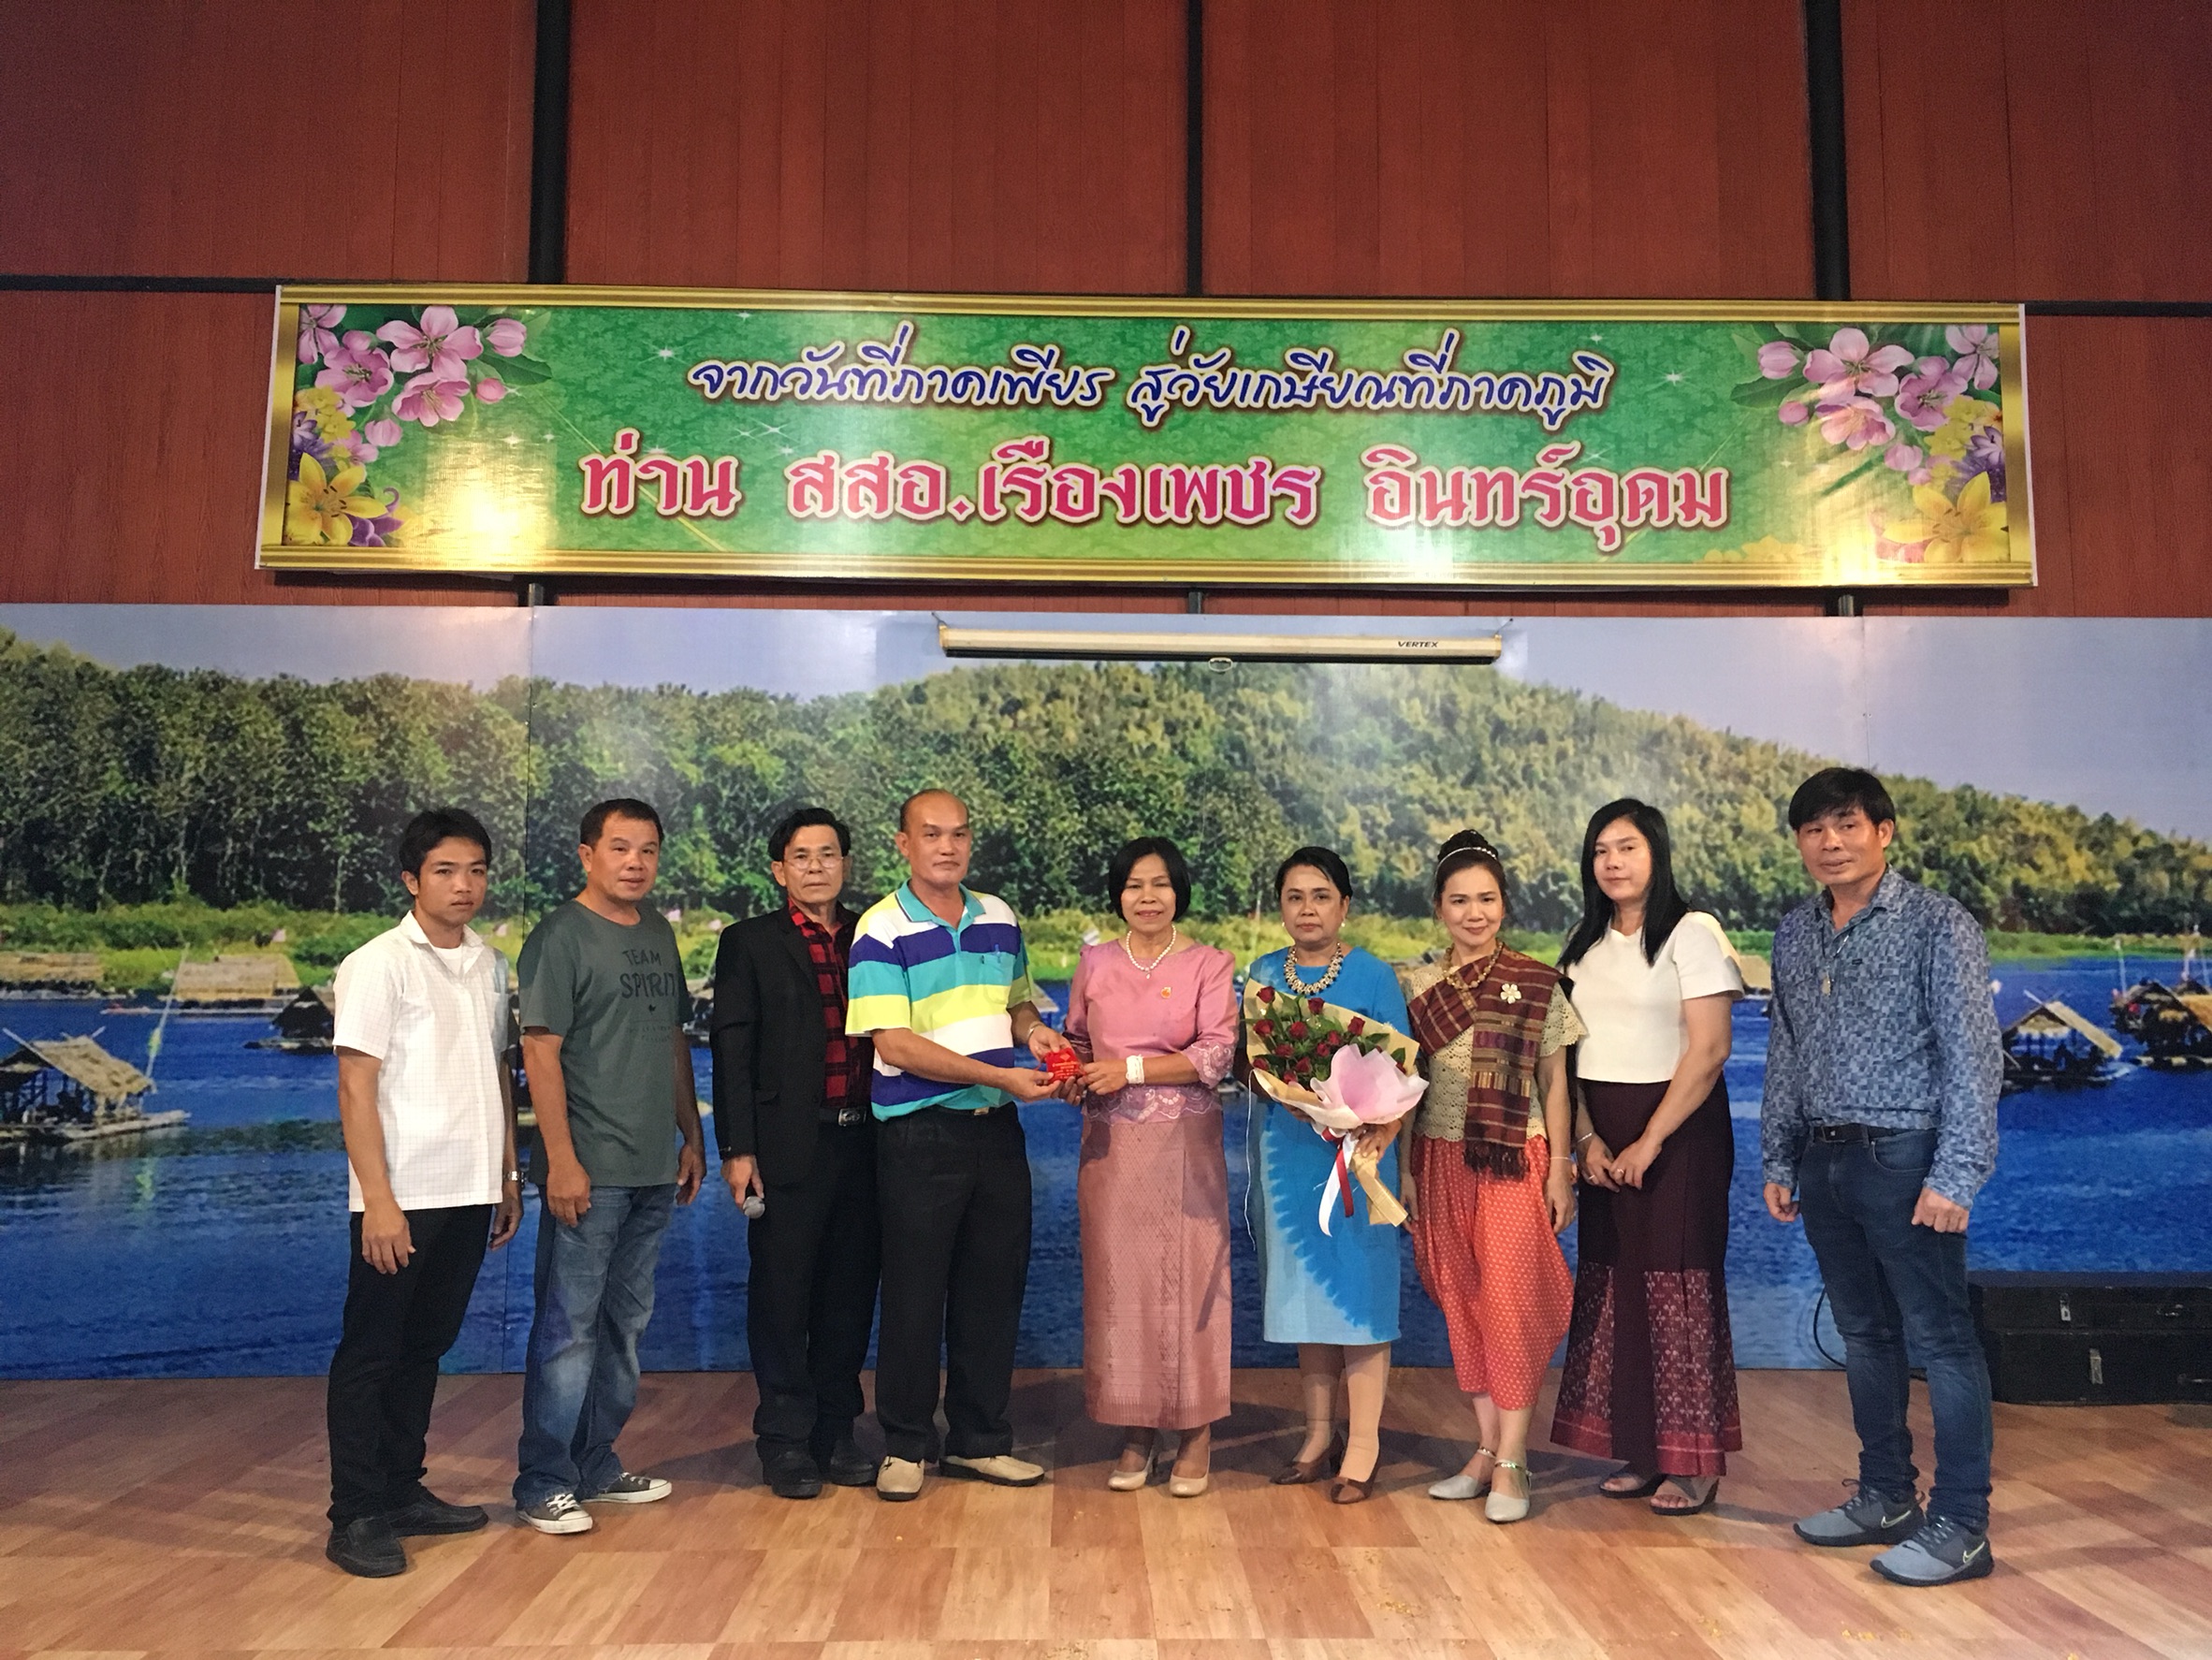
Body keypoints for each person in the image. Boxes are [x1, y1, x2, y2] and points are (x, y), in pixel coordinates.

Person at [1763, 767, 2001, 1587]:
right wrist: (1779, 1154)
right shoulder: (1795, 931)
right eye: (1814, 830)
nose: (1830, 843)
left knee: (1943, 1341)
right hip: (1824, 1158)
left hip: (1908, 1158)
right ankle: (1886, 1496)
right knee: (1864, 1335)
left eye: (1847, 825)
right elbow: (1787, 1049)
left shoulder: (1939, 924)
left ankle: (1962, 1525)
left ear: (1884, 831)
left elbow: (1974, 1056)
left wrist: (1957, 1174)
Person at [846, 789, 1070, 1502]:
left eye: (960, 834)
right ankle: (906, 1444)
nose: (947, 847)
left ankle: (979, 1440)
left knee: (992, 1290)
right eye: (932, 834)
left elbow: (1017, 1003)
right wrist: (1000, 1077)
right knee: (914, 1294)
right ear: (903, 844)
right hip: (919, 1132)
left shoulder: (999, 916)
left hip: (995, 1132)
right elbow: (894, 1044)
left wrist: (1037, 1034)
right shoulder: (880, 928)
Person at [324, 809, 522, 1578]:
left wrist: (507, 1175)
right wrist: (377, 1199)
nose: (463, 885)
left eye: (476, 870)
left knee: (426, 1347)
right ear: (411, 880)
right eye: (445, 871)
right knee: (372, 1352)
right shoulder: (377, 964)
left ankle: (402, 1489)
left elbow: (498, 1074)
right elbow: (355, 1085)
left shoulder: (489, 964)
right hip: (400, 1193)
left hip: (470, 1188)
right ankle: (355, 1513)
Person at [514, 798, 706, 1536]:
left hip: (654, 1165)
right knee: (568, 1330)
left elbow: (672, 1040)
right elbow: (540, 1053)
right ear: (587, 855)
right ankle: (543, 1481)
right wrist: (561, 1161)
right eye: (620, 848)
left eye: (648, 850)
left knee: (624, 1326)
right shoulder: (559, 937)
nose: (635, 862)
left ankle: (595, 1464)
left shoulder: (656, 930)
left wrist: (691, 1135)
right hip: (589, 1170)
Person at [1550, 800, 1744, 1515]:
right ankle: (1639, 1449)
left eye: (1627, 847)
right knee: (1617, 1286)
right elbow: (1567, 1058)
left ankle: (1692, 1464)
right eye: (1601, 850)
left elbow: (1710, 1049)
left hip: (1679, 1133)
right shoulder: (1583, 944)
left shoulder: (1694, 933)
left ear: (1656, 853)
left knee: (1677, 1287)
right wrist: (1587, 1139)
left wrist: (1652, 1139)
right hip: (1605, 1134)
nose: (1613, 862)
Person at [1398, 831, 1579, 1523]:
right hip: (1438, 1158)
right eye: (1459, 901)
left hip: (1510, 1157)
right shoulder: (1417, 987)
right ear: (1439, 908)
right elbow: (1403, 1085)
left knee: (1509, 1302)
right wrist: (1406, 1168)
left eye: (1486, 899)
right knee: (1462, 1299)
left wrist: (1559, 1170)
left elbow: (1555, 1085)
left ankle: (1514, 1458)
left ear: (1504, 904)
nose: (1474, 913)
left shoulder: (1536, 983)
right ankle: (1484, 1447)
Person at [711, 806, 882, 1500]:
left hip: (866, 1141)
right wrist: (737, 1148)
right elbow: (732, 1051)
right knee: (783, 1297)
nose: (817, 867)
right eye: (802, 857)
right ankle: (784, 1440)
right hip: (789, 1145)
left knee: (849, 1295)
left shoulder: (874, 935)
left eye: (828, 854)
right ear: (779, 870)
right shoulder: (750, 942)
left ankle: (836, 1432)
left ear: (846, 863)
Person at [1063, 837, 1237, 1498]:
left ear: (1179, 891)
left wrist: (1129, 1069)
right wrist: (1071, 1074)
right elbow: (1079, 1040)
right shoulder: (1094, 962)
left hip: (1184, 1144)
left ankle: (1195, 1430)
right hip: (1111, 1147)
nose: (1147, 897)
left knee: (1190, 1282)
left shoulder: (1210, 964)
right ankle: (1136, 1428)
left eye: (1160, 884)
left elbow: (1217, 1054)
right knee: (1121, 1285)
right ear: (1118, 895)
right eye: (1134, 885)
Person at [1247, 846, 1411, 1505]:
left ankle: (1364, 1445)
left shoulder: (1374, 976)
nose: (1307, 909)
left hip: (1360, 1157)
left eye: (1321, 896)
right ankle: (1318, 1436)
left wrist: (1372, 1123)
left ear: (1345, 905)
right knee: (1306, 1296)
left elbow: (1403, 1071)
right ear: (1281, 906)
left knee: (1358, 1297)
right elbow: (1251, 1062)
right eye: (1295, 897)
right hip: (1288, 1152)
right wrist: (1283, 1089)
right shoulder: (1263, 973)